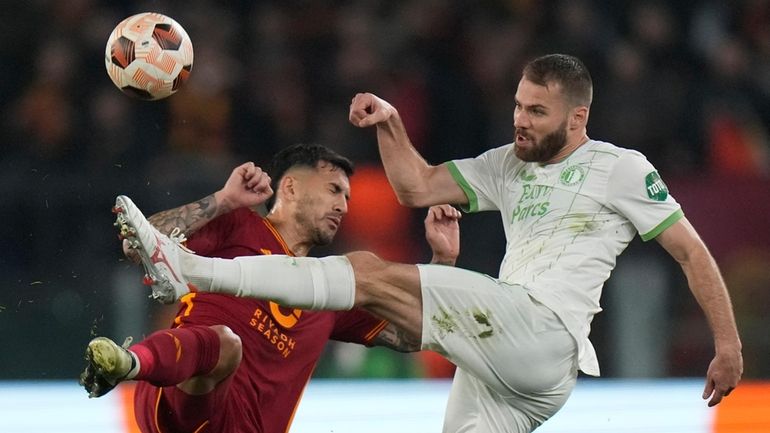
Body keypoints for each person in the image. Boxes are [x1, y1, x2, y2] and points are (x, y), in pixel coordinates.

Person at [111, 54, 743, 432]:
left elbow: (690, 251)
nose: (520, 120)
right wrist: (391, 123)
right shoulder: (506, 166)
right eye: (518, 106)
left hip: (544, 328)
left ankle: (189, 267)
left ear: (577, 118)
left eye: (537, 113)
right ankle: (186, 267)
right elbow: (415, 186)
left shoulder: (623, 168)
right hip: (509, 370)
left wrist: (727, 343)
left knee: (363, 267)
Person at [80, 143, 462, 433]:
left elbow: (412, 335)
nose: (343, 206)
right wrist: (224, 200)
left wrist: (442, 265)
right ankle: (129, 364)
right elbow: (137, 244)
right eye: (333, 190)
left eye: (346, 197)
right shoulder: (239, 226)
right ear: (291, 188)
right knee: (225, 344)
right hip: (181, 399)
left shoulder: (330, 287)